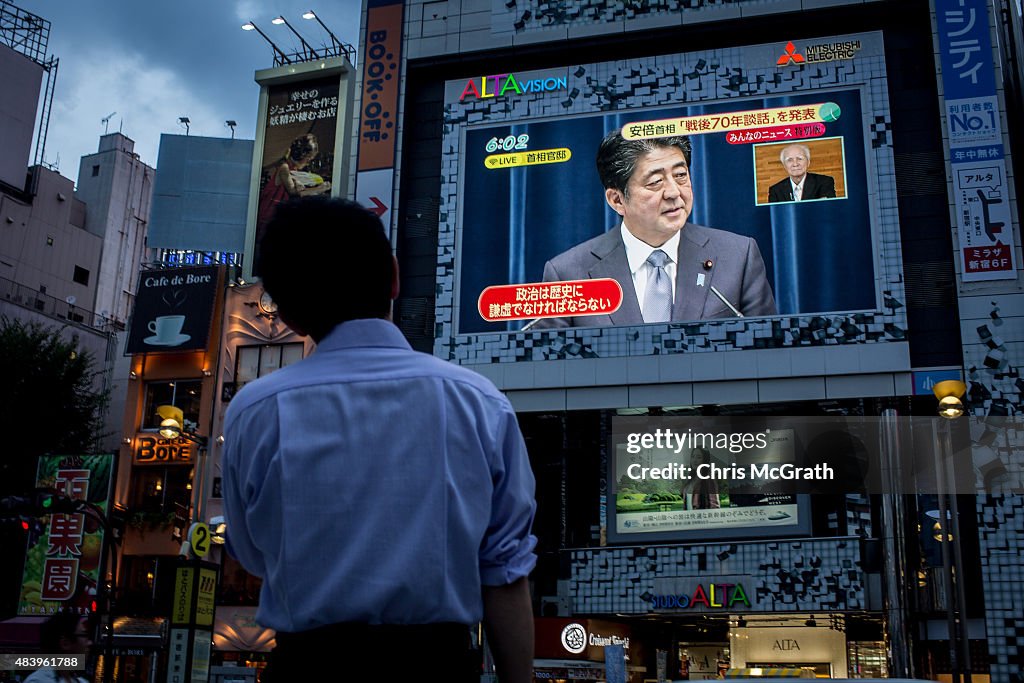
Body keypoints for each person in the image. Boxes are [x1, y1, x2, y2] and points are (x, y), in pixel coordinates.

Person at [223, 197, 537, 683]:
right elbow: (503, 574)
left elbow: (254, 553)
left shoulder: (255, 410)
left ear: (288, 313)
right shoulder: (479, 403)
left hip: (306, 667)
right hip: (438, 668)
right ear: (393, 276)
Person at [532, 130, 776, 328]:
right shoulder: (568, 273)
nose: (673, 192)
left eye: (681, 175)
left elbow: (768, 351)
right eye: (655, 182)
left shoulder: (738, 255)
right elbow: (551, 371)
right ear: (617, 200)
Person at [254, 133, 332, 252]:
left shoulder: (294, 171)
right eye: (308, 159)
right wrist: (319, 189)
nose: (308, 163)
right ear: (303, 155)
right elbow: (293, 192)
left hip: (278, 224)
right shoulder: (284, 168)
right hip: (268, 225)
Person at [24, 612, 91, 683]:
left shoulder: (82, 681)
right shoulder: (38, 681)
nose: (89, 643)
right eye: (84, 635)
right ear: (65, 643)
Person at [767, 143, 836, 203]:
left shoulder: (824, 182)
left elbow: (829, 209)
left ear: (808, 162)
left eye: (799, 159)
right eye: (789, 160)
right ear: (784, 165)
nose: (795, 164)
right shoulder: (775, 190)